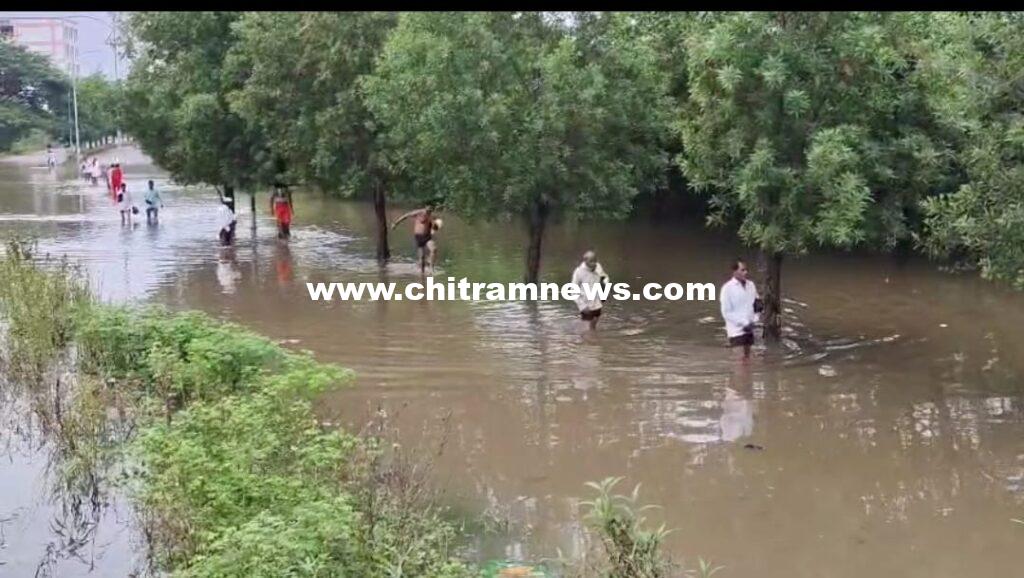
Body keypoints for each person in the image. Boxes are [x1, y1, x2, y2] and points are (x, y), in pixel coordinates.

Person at [720, 257, 759, 361]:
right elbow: (726, 312)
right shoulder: (727, 288)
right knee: (739, 361)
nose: (746, 272)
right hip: (736, 331)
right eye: (742, 270)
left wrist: (755, 320)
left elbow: (757, 305)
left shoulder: (751, 285)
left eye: (746, 270)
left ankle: (746, 377)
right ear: (734, 271)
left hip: (749, 329)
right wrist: (743, 323)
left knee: (748, 360)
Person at [390, 204, 440, 275]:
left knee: (434, 249)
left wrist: (435, 225)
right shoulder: (419, 213)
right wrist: (395, 224)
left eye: (431, 208)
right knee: (422, 258)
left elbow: (435, 228)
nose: (430, 209)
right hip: (419, 236)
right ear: (426, 207)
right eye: (429, 208)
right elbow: (406, 216)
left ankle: (431, 268)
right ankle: (422, 275)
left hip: (427, 236)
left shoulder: (432, 216)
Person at [571, 250, 610, 330]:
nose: (594, 263)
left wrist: (605, 286)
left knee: (593, 326)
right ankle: (586, 339)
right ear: (585, 261)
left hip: (597, 302)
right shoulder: (578, 272)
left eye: (595, 260)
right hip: (586, 304)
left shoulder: (598, 267)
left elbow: (605, 277)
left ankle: (593, 339)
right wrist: (582, 306)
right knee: (586, 329)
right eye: (591, 261)